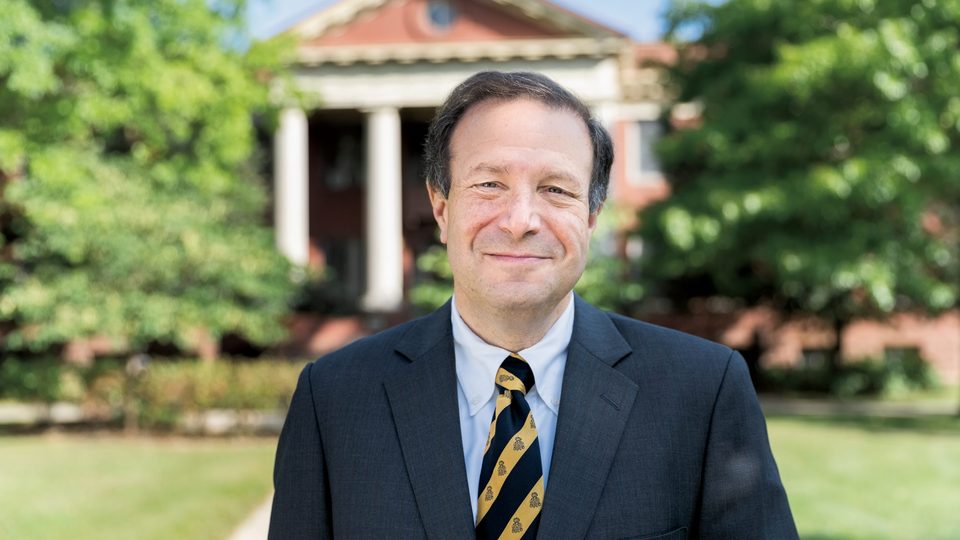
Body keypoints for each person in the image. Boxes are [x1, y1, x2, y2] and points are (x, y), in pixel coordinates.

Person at [268, 71, 798, 539]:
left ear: (591, 219)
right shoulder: (334, 400)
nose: (520, 219)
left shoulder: (702, 391)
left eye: (556, 190)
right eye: (489, 183)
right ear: (441, 208)